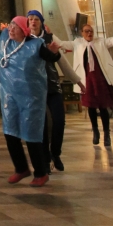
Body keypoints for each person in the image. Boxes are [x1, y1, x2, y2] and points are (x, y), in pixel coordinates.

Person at [0, 1, 61, 187]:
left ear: (24, 29)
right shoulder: (4, 41)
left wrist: (55, 53)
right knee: (10, 132)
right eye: (10, 25)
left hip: (31, 99)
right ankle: (21, 168)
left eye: (15, 26)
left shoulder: (36, 45)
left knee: (31, 135)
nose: (11, 28)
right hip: (10, 97)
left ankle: (40, 172)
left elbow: (51, 57)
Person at [52, 13, 113, 147]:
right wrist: (50, 34)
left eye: (91, 31)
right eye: (86, 31)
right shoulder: (77, 43)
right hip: (87, 81)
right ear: (82, 33)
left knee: (103, 108)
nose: (89, 33)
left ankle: (107, 134)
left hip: (101, 80)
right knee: (91, 107)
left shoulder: (100, 42)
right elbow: (62, 44)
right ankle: (95, 131)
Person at [26, 10, 81, 172]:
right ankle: (45, 159)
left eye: (36, 19)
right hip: (36, 88)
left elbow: (62, 62)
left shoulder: (50, 38)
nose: (33, 22)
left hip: (52, 85)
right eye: (30, 19)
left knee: (59, 121)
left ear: (41, 22)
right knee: (42, 125)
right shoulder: (26, 39)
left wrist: (77, 81)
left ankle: (55, 153)